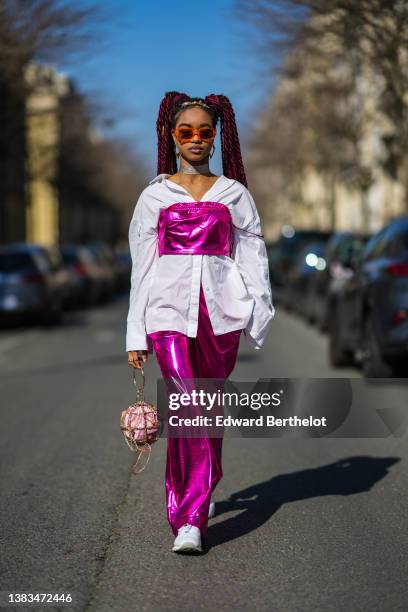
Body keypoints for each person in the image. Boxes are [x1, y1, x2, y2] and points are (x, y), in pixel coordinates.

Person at [126, 91, 275, 553]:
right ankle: (188, 518)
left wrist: (258, 310)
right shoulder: (154, 195)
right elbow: (141, 266)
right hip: (166, 313)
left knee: (205, 407)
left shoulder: (234, 194)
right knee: (189, 405)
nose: (194, 139)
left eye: (204, 132)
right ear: (171, 136)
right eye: (185, 131)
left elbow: (253, 253)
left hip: (221, 314)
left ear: (216, 138)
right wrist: (136, 333)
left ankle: (203, 483)